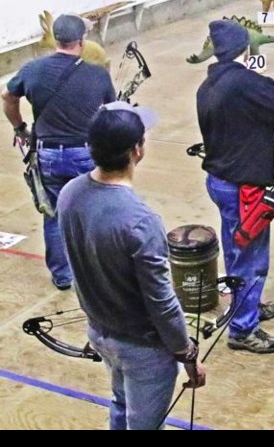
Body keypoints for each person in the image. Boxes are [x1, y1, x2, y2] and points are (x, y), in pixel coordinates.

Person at [59, 102, 206, 430]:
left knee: (121, 406)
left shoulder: (70, 193)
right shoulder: (140, 221)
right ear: (137, 150)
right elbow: (161, 301)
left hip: (100, 332)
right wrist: (187, 353)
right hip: (143, 350)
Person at [197, 19, 274, 353]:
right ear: (244, 49)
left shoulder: (209, 84)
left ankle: (246, 306)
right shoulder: (243, 82)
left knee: (235, 249)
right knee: (251, 259)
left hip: (221, 181)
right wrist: (258, 81)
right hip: (245, 188)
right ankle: (243, 330)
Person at [2, 14, 115, 290]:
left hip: (48, 155)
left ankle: (63, 275)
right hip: (84, 153)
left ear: (56, 40)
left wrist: (19, 128)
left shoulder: (32, 70)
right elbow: (110, 113)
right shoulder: (97, 74)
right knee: (91, 211)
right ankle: (94, 271)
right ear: (81, 41)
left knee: (53, 214)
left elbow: (8, 97)